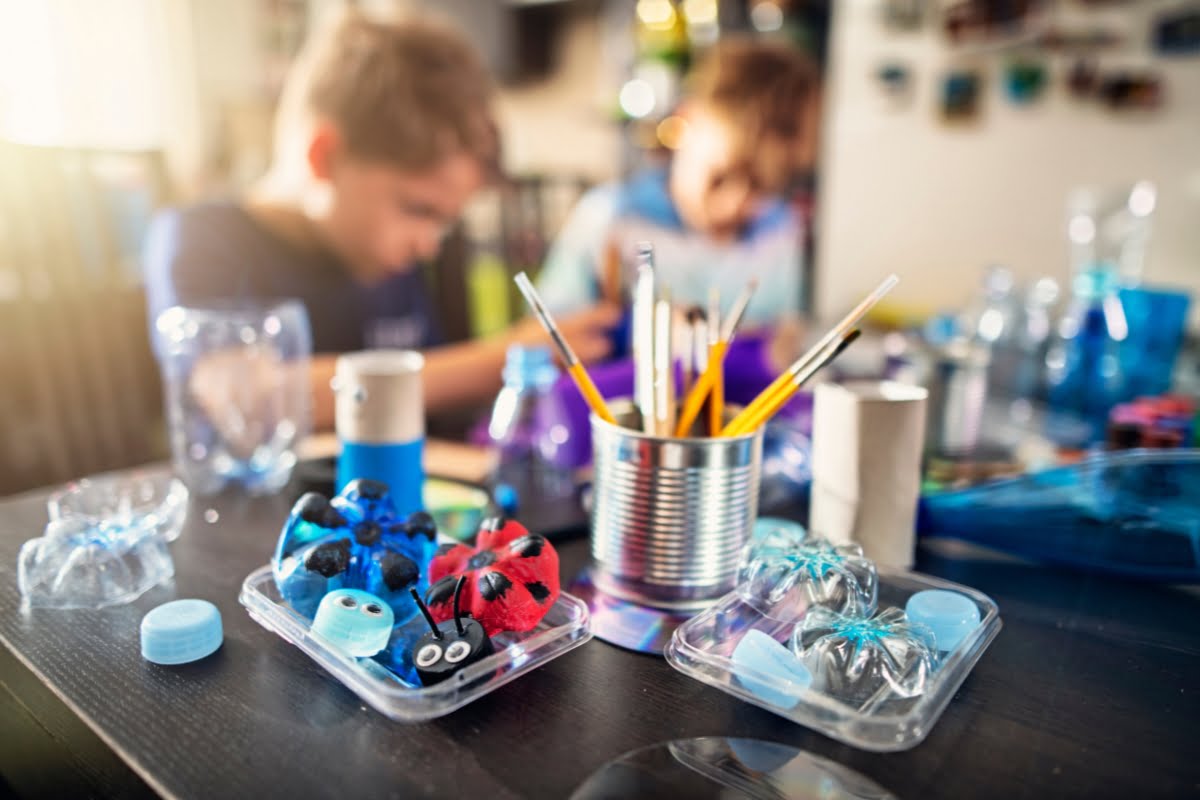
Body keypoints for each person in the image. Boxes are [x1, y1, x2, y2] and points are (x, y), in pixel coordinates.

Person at [144, 10, 618, 430]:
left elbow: (432, 402)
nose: (427, 245)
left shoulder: (387, 259)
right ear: (324, 157)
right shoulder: (202, 239)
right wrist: (505, 360)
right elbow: (246, 399)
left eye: (443, 222)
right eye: (418, 210)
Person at [536, 38, 820, 327]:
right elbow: (547, 337)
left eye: (762, 188)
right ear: (686, 120)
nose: (734, 205)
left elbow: (784, 334)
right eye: (719, 178)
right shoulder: (610, 218)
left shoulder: (781, 228)